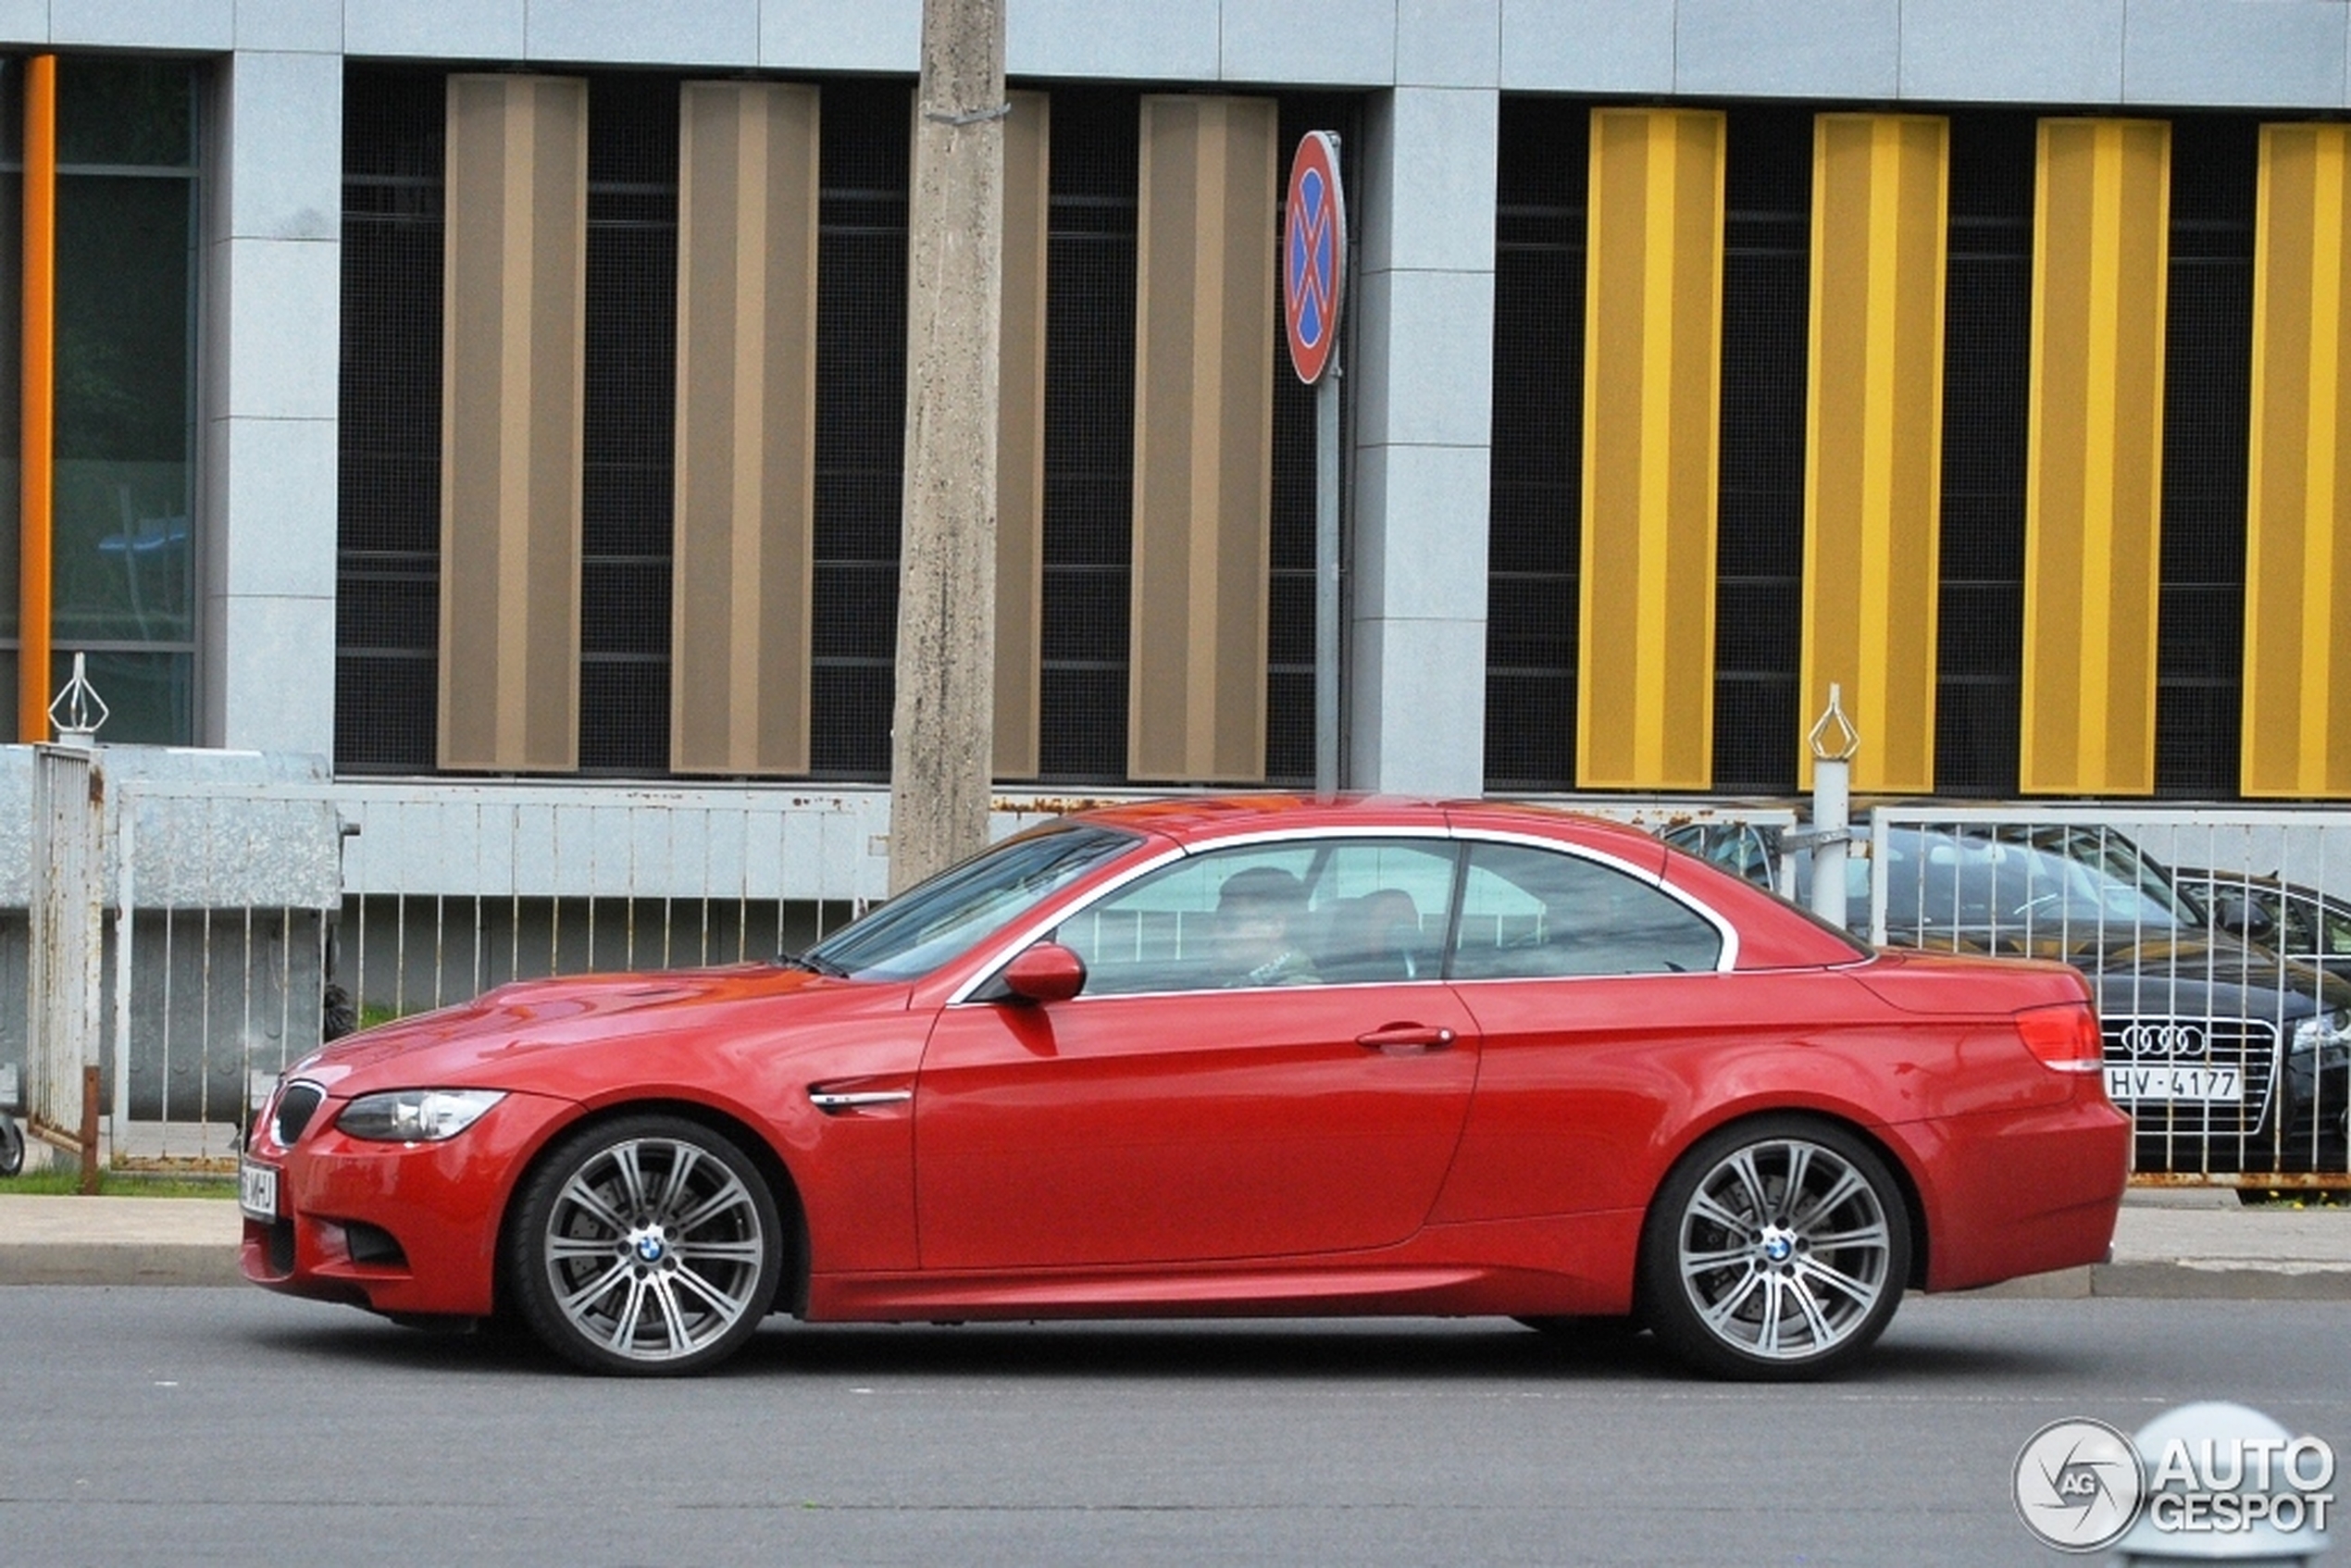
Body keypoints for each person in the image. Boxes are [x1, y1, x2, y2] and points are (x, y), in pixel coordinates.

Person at [1215, 865, 1320, 987]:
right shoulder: (1250, 980)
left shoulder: (1295, 991)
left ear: (1274, 926)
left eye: (1230, 923)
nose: (1216, 933)